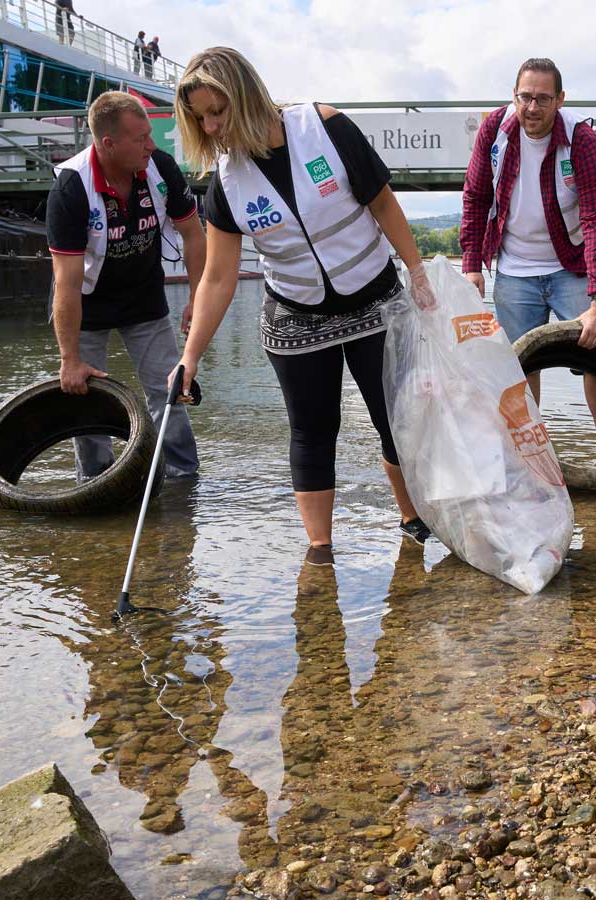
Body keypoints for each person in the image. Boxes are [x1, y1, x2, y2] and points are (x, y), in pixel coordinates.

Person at [170, 47, 435, 554]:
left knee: (394, 418)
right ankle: (319, 551)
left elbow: (382, 202)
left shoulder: (326, 128)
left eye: (217, 111)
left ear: (246, 96)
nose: (210, 127)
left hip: (372, 298)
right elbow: (219, 276)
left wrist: (418, 273)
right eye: (200, 118)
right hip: (296, 314)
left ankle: (412, 518)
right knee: (313, 431)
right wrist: (190, 356)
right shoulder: (225, 183)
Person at [460, 58, 596, 473]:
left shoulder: (580, 138)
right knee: (521, 366)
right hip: (514, 268)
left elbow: (595, 216)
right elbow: (474, 198)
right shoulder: (494, 131)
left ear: (560, 99)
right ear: (514, 95)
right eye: (525, 97)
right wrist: (471, 264)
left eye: (543, 98)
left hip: (571, 264)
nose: (532, 108)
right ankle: (527, 460)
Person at [45, 90, 205, 481]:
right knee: (87, 395)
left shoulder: (160, 168)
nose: (152, 145)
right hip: (86, 301)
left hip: (143, 295)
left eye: (151, 135)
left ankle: (183, 476)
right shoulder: (70, 188)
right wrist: (69, 360)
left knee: (168, 388)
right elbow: (65, 283)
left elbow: (194, 235)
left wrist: (197, 299)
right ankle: (95, 483)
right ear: (108, 144)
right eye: (141, 139)